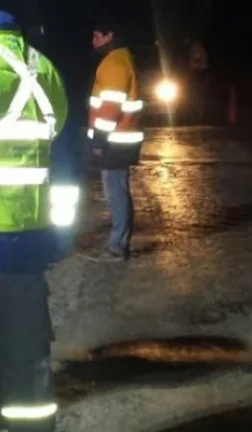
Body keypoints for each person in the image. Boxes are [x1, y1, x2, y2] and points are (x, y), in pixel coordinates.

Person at [0, 9, 79, 432]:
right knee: (26, 354)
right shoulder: (44, 71)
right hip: (27, 247)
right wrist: (60, 235)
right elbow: (63, 161)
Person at [84, 19, 143, 262]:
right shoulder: (121, 58)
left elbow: (109, 107)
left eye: (97, 36)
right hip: (122, 136)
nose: (94, 41)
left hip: (115, 139)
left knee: (115, 191)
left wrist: (98, 141)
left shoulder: (114, 63)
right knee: (119, 189)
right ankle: (119, 241)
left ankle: (116, 247)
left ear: (110, 36)